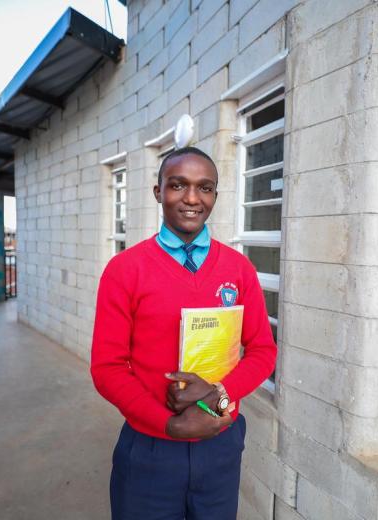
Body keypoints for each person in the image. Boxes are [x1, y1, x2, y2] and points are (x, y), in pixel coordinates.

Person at [90, 146, 277, 520]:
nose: (192, 199)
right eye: (178, 185)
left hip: (220, 443)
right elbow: (107, 367)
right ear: (158, 192)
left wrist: (220, 393)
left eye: (204, 188)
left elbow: (262, 350)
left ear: (215, 197)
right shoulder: (125, 270)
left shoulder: (238, 269)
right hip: (151, 447)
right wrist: (168, 424)